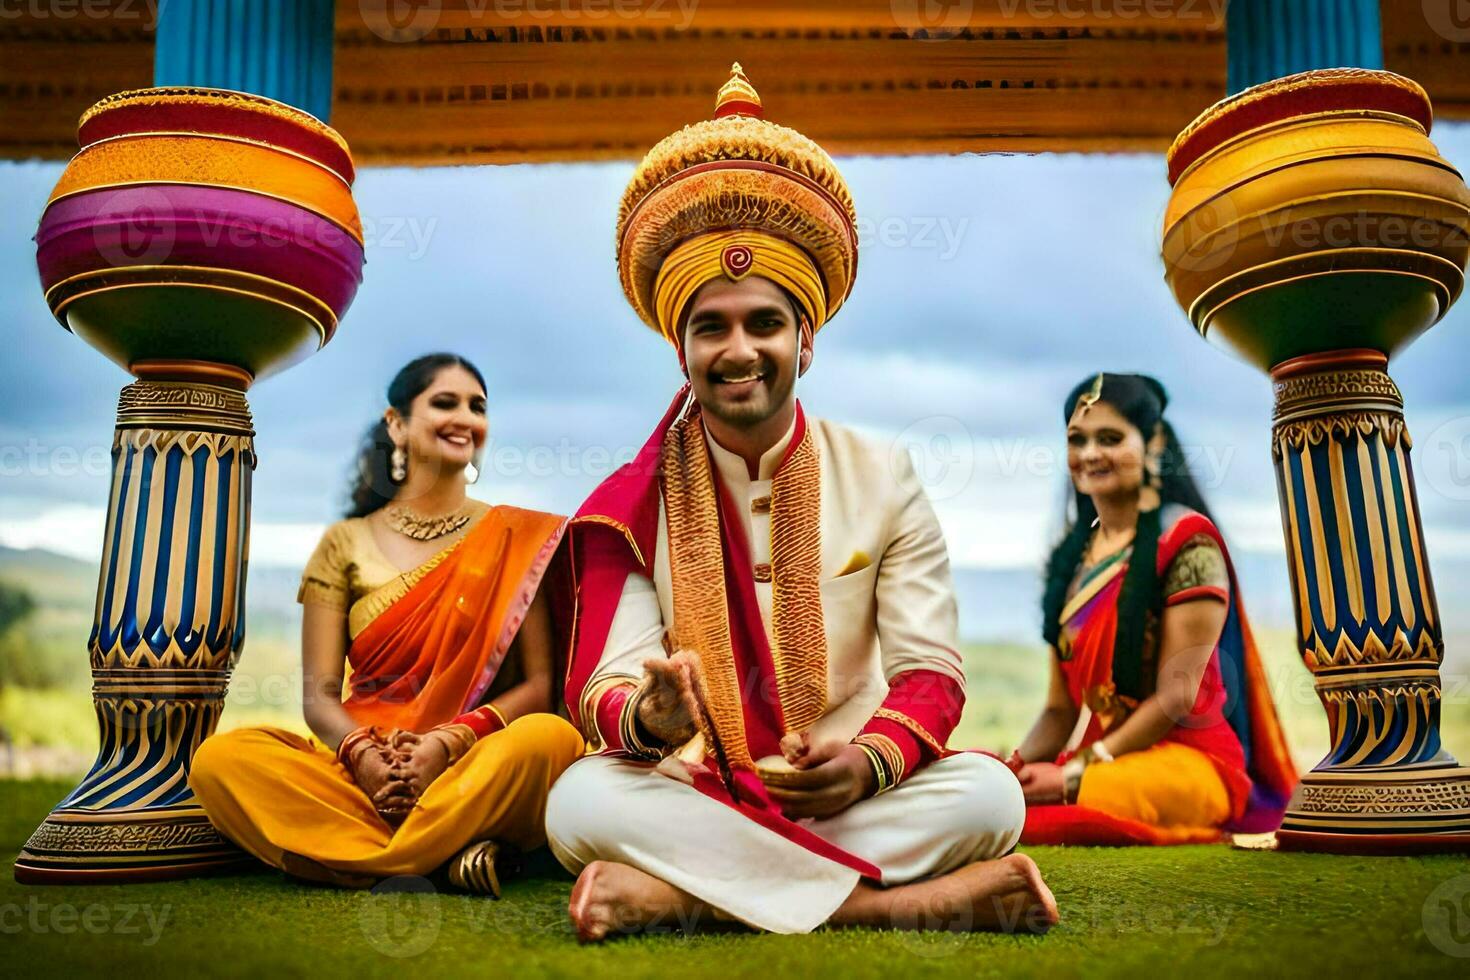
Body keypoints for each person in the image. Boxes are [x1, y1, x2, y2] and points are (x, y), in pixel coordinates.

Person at [543, 64, 1056, 941]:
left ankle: (686, 898)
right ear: (682, 350)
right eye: (712, 326)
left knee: (990, 794)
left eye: (763, 324)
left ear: (806, 341)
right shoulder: (629, 503)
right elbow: (604, 686)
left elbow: (931, 673)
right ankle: (902, 907)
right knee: (578, 800)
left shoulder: (884, 473)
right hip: (697, 787)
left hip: (847, 795)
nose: (739, 350)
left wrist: (863, 764)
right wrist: (653, 716)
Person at [190, 353, 584, 891]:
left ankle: (361, 860)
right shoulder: (343, 543)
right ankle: (446, 855)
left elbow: (540, 687)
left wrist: (446, 744)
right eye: (444, 402)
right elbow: (318, 695)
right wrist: (366, 759)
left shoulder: (517, 537)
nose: (465, 418)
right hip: (365, 770)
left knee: (548, 737)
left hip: (466, 766)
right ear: (396, 424)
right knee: (220, 760)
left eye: (478, 406)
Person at [1013, 372, 1297, 846]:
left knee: (1073, 803)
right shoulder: (1073, 561)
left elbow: (1177, 696)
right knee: (998, 787)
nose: (1089, 454)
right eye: (1076, 440)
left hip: (1188, 765)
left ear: (1154, 441)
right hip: (1104, 759)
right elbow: (1059, 710)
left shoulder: (1189, 543)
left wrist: (1080, 769)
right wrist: (1014, 769)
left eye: (1110, 438)